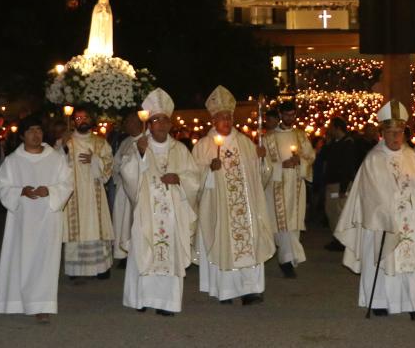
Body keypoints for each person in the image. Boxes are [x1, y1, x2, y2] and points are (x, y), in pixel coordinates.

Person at [335, 100, 415, 320]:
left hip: (408, 222)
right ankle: (379, 301)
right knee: (382, 260)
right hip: (382, 221)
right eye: (391, 133)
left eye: (399, 132)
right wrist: (388, 211)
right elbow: (370, 192)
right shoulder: (373, 159)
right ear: (382, 132)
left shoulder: (411, 156)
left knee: (410, 260)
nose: (395, 137)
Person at [192, 85, 274, 305]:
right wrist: (210, 169)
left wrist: (261, 159)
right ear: (213, 121)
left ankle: (251, 290)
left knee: (249, 245)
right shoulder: (203, 146)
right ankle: (225, 290)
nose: (226, 121)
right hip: (219, 210)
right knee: (222, 243)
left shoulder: (246, 143)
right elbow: (192, 179)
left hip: (247, 211)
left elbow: (260, 177)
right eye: (221, 117)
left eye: (229, 117)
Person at [122, 89, 198, 316]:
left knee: (168, 253)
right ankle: (142, 297)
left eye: (165, 120)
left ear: (170, 123)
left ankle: (167, 302)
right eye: (155, 120)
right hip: (147, 211)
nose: (161, 125)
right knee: (144, 248)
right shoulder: (139, 146)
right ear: (149, 124)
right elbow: (127, 174)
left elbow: (194, 178)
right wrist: (141, 155)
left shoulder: (181, 149)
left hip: (173, 213)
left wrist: (179, 179)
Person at [0, 116, 73, 323]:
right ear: (22, 135)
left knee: (45, 261)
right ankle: (17, 301)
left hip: (48, 218)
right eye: (30, 131)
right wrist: (20, 191)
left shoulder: (55, 158)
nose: (36, 134)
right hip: (22, 220)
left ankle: (42, 305)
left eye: (39, 130)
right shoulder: (13, 161)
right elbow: (2, 186)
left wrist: (50, 190)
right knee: (21, 258)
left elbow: (67, 183)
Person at [262, 100, 315, 278]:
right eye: (286, 115)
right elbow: (263, 165)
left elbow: (311, 156)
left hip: (296, 184)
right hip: (277, 185)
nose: (290, 118)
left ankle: (288, 258)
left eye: (293, 115)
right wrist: (280, 165)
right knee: (281, 223)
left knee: (294, 223)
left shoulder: (300, 135)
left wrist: (300, 161)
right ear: (280, 115)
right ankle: (286, 260)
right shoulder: (268, 138)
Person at [63, 106, 114, 280]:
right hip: (74, 194)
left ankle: (101, 267)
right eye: (78, 118)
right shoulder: (67, 142)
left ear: (91, 120)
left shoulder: (100, 142)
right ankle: (76, 270)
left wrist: (95, 160)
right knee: (76, 229)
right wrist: (61, 148)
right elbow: (56, 165)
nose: (82, 120)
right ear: (73, 122)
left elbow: (108, 165)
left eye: (85, 117)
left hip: (95, 194)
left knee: (97, 227)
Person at [321, 117, 360, 252]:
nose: (329, 130)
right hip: (332, 183)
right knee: (331, 211)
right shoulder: (335, 143)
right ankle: (337, 238)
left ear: (337, 128)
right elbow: (325, 157)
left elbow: (347, 167)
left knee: (337, 212)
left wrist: (343, 188)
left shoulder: (348, 143)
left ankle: (341, 240)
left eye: (331, 127)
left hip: (339, 184)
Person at [112, 112, 145, 268]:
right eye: (127, 122)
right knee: (123, 221)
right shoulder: (126, 142)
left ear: (140, 123)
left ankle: (138, 252)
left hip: (140, 190)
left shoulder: (147, 141)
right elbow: (115, 164)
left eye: (132, 122)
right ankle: (124, 253)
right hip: (123, 192)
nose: (129, 125)